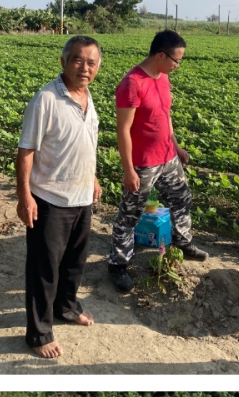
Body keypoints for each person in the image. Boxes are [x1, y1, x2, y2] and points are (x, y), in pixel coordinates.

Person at [15, 35, 102, 359]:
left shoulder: (88, 98)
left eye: (91, 62)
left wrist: (92, 178)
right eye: (78, 60)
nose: (85, 67)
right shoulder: (46, 100)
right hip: (50, 198)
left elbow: (86, 142)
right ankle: (38, 335)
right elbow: (26, 152)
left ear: (98, 67)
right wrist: (25, 197)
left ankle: (65, 307)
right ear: (64, 61)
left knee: (74, 264)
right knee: (44, 269)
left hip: (81, 198)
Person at [107, 30, 207, 293]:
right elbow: (123, 130)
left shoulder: (162, 78)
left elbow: (165, 115)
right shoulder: (132, 84)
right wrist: (129, 170)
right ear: (161, 55)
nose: (178, 65)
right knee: (130, 214)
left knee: (181, 199)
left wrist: (176, 145)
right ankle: (118, 263)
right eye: (177, 60)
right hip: (143, 163)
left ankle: (182, 242)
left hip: (167, 156)